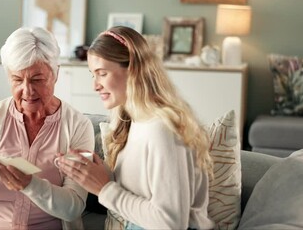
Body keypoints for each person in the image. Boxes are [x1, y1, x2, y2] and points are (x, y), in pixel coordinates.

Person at [56, 26, 215, 229]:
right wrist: (96, 171)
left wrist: (104, 188)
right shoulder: (132, 121)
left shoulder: (162, 129)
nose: (95, 85)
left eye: (102, 73)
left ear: (133, 70)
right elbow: (141, 191)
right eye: (92, 75)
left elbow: (172, 221)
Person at [0, 27, 95, 230]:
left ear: (56, 74)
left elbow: (73, 208)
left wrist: (31, 185)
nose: (27, 91)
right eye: (17, 79)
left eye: (37, 79)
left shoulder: (78, 126)